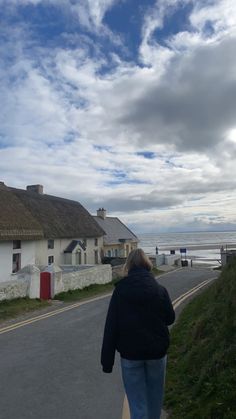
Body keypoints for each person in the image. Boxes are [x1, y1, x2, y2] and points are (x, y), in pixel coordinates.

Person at [101, 248, 175, 419]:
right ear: (147, 264)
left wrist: (107, 362)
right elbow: (170, 318)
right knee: (155, 400)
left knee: (136, 404)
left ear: (129, 266)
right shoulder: (160, 290)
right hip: (157, 353)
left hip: (131, 354)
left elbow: (111, 326)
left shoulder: (120, 291)